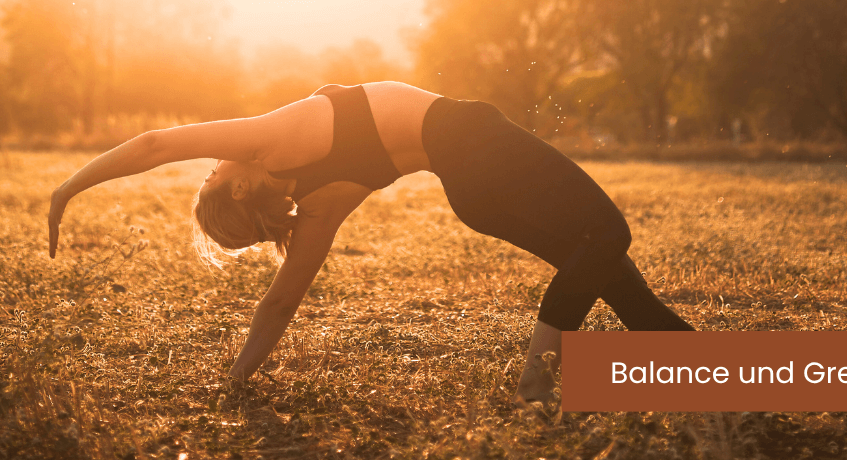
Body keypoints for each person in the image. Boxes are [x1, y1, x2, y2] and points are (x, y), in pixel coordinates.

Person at [48, 81, 694, 405]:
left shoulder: (320, 207)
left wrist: (236, 380)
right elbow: (156, 146)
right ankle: (537, 379)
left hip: (470, 193)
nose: (212, 164)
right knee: (608, 234)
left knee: (611, 273)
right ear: (240, 190)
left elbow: (278, 307)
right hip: (478, 148)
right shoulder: (266, 142)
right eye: (214, 177)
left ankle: (717, 375)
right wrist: (66, 191)